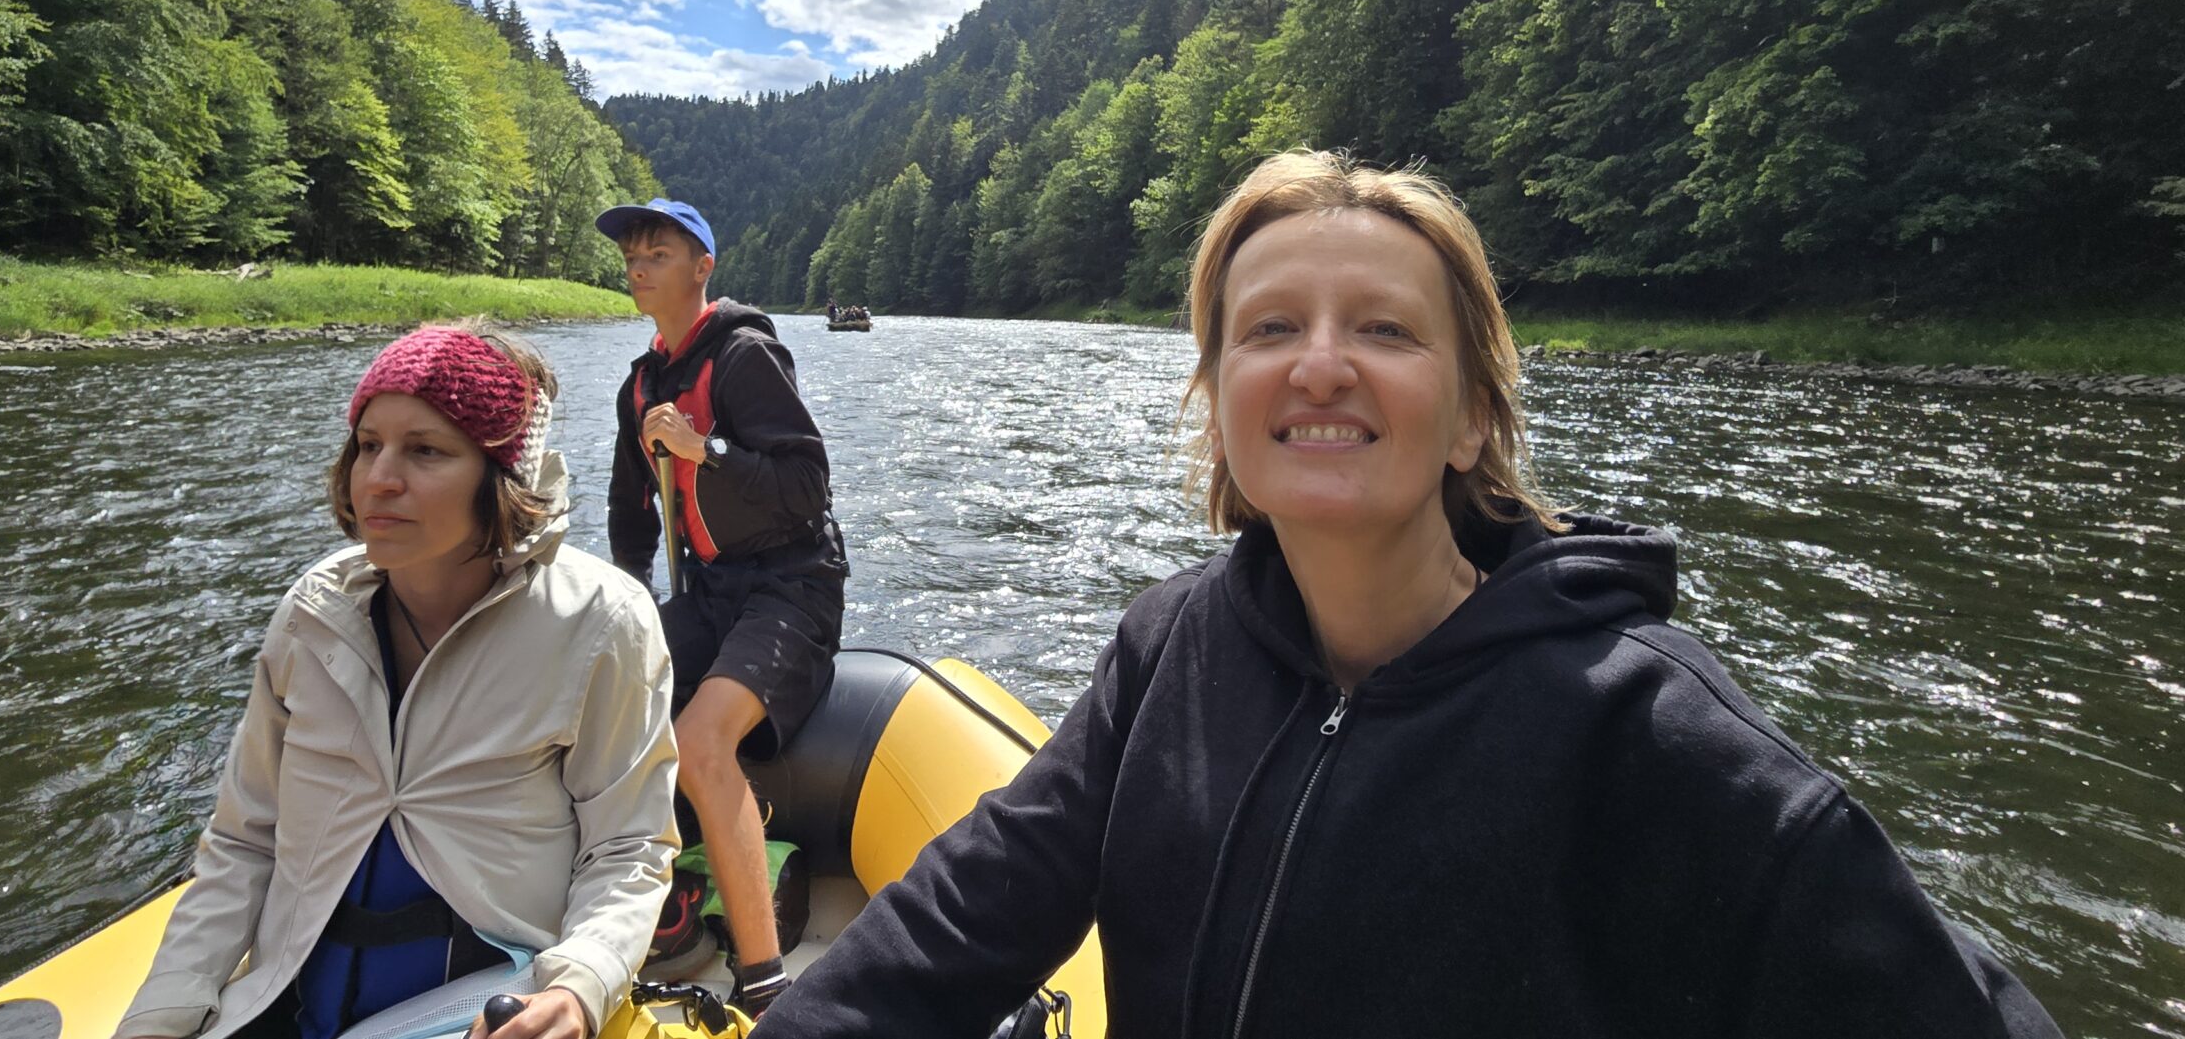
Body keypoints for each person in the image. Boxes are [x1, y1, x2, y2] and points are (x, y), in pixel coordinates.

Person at [761, 151, 2062, 1038]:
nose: (1320, 365)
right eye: (1270, 330)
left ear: (1468, 418)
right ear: (1221, 410)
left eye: (1382, 329)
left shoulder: (1646, 733)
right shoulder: (1168, 650)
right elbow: (961, 917)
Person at [114, 324, 677, 1039]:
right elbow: (246, 839)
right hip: (289, 1007)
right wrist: (162, 1010)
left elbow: (628, 846)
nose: (379, 476)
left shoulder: (602, 622)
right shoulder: (312, 614)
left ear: (502, 475)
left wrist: (583, 979)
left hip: (483, 1009)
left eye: (425, 450)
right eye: (368, 444)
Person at [596, 198, 846, 1017]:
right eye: (633, 255)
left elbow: (808, 487)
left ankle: (767, 985)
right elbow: (632, 520)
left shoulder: (743, 357)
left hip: (792, 584)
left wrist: (708, 449)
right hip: (710, 592)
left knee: (702, 737)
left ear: (703, 266)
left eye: (657, 252)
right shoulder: (640, 387)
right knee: (600, 699)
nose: (638, 266)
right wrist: (623, 620)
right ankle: (639, 901)